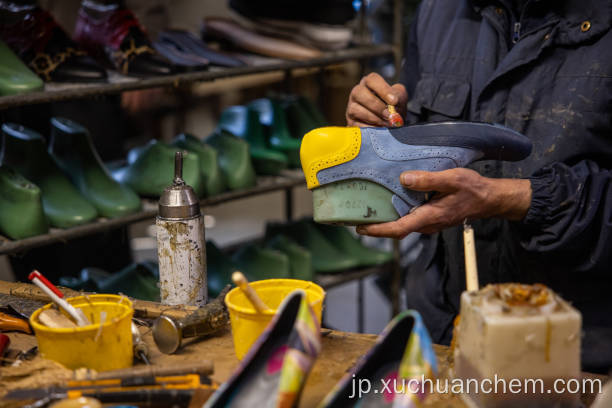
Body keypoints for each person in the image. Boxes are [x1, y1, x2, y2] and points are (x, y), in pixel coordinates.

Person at [347, 0, 612, 373]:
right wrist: (379, 134)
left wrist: (510, 198)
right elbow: (411, 140)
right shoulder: (440, 9)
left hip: (574, 356)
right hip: (442, 328)